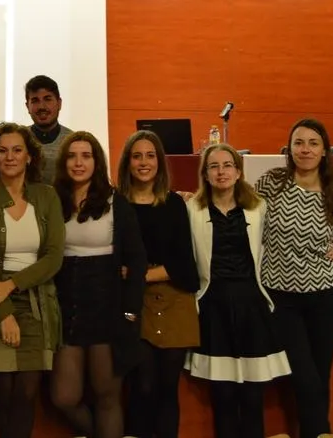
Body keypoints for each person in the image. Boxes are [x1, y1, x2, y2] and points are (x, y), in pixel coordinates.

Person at [0, 122, 65, 438]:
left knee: (26, 395)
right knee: (3, 394)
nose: (10, 157)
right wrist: (4, 312)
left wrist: (11, 285)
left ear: (29, 156)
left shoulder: (47, 196)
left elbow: (54, 257)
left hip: (37, 303)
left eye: (17, 150)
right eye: (2, 150)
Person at [186, 144, 290, 438]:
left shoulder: (258, 207)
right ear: (205, 174)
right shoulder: (192, 210)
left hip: (251, 305)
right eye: (214, 166)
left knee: (253, 396)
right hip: (213, 306)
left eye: (227, 165)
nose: (221, 172)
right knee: (223, 396)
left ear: (238, 171)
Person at [256, 118, 333, 438]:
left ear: (324, 150)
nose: (305, 149)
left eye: (313, 143)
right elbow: (243, 209)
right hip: (281, 299)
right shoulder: (272, 182)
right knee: (305, 378)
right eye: (299, 142)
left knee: (319, 378)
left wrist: (331, 259)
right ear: (289, 148)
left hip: (325, 299)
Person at [50, 131, 146, 438]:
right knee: (64, 397)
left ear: (97, 162)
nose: (78, 163)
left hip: (109, 311)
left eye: (86, 156)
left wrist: (130, 313)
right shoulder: (52, 200)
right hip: (67, 310)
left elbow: (137, 261)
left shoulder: (116, 202)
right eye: (72, 156)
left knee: (107, 398)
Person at [117, 130, 200, 438]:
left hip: (174, 303)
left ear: (160, 162)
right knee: (141, 386)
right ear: (127, 162)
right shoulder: (115, 204)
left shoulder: (175, 204)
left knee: (167, 388)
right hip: (132, 304)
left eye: (150, 156)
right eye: (137, 156)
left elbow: (184, 264)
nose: (144, 162)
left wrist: (138, 274)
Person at [24, 75, 73, 184]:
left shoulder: (73, 142)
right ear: (27, 106)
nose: (42, 107)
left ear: (59, 103)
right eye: (35, 101)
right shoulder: (19, 140)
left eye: (47, 99)